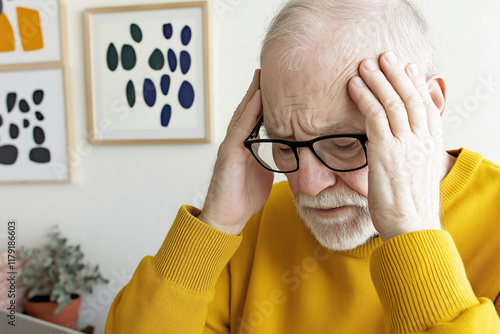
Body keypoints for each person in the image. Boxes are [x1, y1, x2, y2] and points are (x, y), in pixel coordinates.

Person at [105, 0, 500, 332]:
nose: (307, 185)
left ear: (427, 106)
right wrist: (214, 227)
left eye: (344, 144)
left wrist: (411, 230)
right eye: (283, 144)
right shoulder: (253, 222)